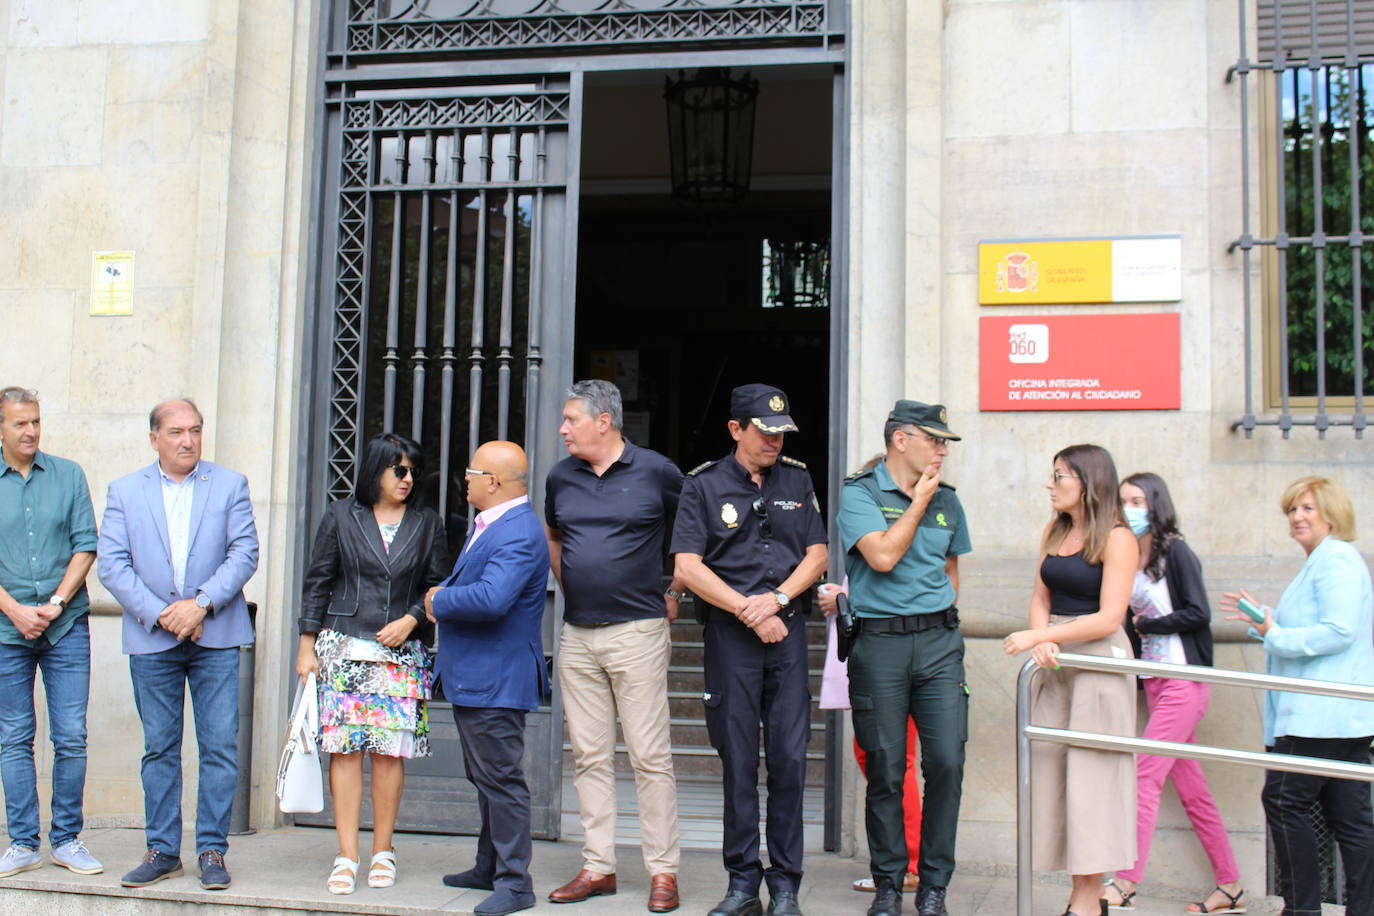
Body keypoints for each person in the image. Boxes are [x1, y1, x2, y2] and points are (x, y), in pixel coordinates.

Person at [671, 384, 828, 916]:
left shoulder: (797, 478)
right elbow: (687, 566)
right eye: (764, 431)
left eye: (781, 433)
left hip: (787, 634)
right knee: (737, 761)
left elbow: (817, 554)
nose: (774, 441)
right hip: (731, 638)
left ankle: (785, 885)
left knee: (788, 760)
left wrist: (777, 599)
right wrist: (749, 610)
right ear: (735, 429)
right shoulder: (702, 484)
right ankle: (742, 884)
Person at [97, 399, 259, 891]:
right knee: (160, 749)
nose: (188, 440)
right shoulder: (125, 490)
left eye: (195, 430)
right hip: (153, 638)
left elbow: (245, 552)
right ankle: (163, 851)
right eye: (175, 432)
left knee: (220, 748)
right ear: (154, 439)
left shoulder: (229, 484)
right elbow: (112, 565)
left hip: (217, 635)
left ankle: (212, 849)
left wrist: (201, 604)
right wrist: (165, 614)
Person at [544, 380, 684, 913]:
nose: (563, 429)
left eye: (571, 419)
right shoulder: (561, 476)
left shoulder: (657, 471)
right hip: (578, 634)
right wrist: (575, 584)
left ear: (604, 421)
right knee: (589, 757)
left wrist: (675, 590)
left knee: (650, 758)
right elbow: (554, 537)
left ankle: (663, 872)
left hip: (638, 633)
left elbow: (693, 535)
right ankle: (598, 867)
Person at [296, 433, 448, 894]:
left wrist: (412, 618)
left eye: (413, 471)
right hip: (344, 647)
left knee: (388, 754)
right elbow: (318, 581)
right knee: (345, 752)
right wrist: (306, 646)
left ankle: (384, 849)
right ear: (375, 470)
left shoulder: (427, 522)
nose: (408, 479)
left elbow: (438, 584)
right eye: (398, 469)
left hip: (400, 656)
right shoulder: (341, 515)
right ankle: (347, 854)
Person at [837, 402, 971, 916]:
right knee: (887, 770)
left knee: (947, 763)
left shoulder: (948, 500)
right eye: (934, 440)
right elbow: (883, 555)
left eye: (945, 443)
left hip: (938, 645)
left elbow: (950, 573)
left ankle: (934, 886)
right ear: (901, 439)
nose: (942, 451)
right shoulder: (860, 493)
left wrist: (936, 616)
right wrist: (917, 503)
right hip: (880, 646)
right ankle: (889, 886)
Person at [1221, 476, 1374, 916]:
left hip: (1319, 715)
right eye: (1291, 509)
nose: (1297, 517)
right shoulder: (1326, 560)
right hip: (1337, 715)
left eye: (1308, 508)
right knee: (1350, 819)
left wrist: (1277, 636)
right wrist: (1268, 623)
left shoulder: (1335, 560)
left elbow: (1338, 631)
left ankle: (1302, 909)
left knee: (1284, 801)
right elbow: (1320, 626)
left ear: (1332, 513)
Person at [1002, 444, 1137, 916]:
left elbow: (1110, 616)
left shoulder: (1118, 537)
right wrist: (1043, 639)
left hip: (1097, 659)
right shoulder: (1055, 530)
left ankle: (1087, 898)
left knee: (1092, 778)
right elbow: (1040, 595)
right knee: (1051, 773)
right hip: (1056, 658)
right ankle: (1082, 892)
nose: (1050, 484)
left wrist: (1043, 636)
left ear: (1088, 481)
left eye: (1060, 476)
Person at [1102, 473, 1243, 915]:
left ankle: (1126, 882)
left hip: (1185, 681)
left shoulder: (1176, 551)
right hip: (1156, 682)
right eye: (1124, 501)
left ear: (1156, 505)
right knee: (1193, 791)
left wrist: (1149, 625)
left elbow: (1199, 612)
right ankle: (1231, 887)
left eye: (1138, 501)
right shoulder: (1129, 554)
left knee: (1145, 775)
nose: (1129, 509)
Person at [425, 441, 550, 916]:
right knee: (485, 777)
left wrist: (438, 600)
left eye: (471, 472)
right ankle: (489, 866)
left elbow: (492, 598)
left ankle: (516, 884)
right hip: (480, 675)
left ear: (493, 482)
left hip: (495, 679)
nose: (465, 479)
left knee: (501, 780)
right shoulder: (493, 523)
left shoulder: (517, 531)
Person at [0, 386, 101, 877]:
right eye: (20, 423)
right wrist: (15, 610)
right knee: (14, 736)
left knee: (71, 736)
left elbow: (86, 545)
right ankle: (23, 842)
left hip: (66, 627)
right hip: (5, 630)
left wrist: (56, 603)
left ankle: (66, 839)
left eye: (36, 421)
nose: (31, 431)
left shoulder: (68, 474)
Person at [816, 576, 922, 897]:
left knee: (891, 763)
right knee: (881, 759)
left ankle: (909, 865)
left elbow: (900, 587)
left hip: (893, 655)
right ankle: (905, 863)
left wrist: (847, 598)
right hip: (887, 655)